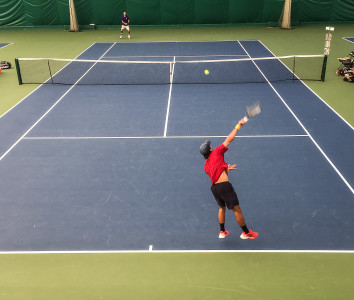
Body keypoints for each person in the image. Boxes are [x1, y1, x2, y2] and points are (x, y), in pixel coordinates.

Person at [200, 119, 258, 239]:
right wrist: (238, 125)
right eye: (210, 146)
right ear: (210, 150)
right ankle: (246, 233)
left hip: (214, 188)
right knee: (237, 209)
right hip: (224, 187)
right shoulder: (216, 152)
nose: (212, 146)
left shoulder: (206, 166)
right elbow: (229, 139)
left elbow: (216, 174)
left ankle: (222, 232)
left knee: (222, 208)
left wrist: (226, 168)